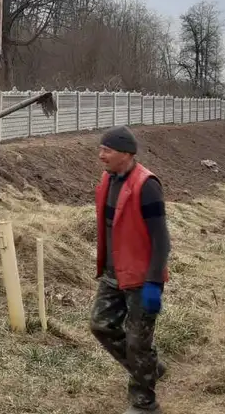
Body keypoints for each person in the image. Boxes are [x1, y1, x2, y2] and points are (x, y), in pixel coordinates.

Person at [89, 125, 171, 414]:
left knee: (138, 341)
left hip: (141, 278)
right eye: (100, 149)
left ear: (126, 153)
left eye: (106, 150)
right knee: (101, 326)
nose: (100, 155)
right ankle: (148, 368)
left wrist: (152, 282)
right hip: (114, 274)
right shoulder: (108, 179)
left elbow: (161, 238)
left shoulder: (147, 186)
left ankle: (145, 404)